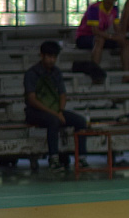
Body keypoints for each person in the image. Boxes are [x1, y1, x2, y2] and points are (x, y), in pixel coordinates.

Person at [23, 41, 88, 170]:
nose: (52, 60)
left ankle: (81, 158)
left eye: (54, 57)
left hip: (56, 111)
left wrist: (60, 111)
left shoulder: (56, 72)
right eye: (49, 56)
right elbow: (32, 100)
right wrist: (56, 114)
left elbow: (62, 94)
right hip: (35, 111)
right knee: (53, 121)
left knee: (81, 121)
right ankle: (53, 159)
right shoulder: (31, 74)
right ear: (42, 55)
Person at [76, 0, 129, 72]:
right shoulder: (94, 8)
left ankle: (126, 74)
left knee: (126, 42)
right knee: (100, 40)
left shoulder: (114, 9)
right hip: (84, 37)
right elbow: (95, 31)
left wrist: (121, 36)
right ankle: (95, 73)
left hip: (103, 37)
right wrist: (112, 37)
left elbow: (117, 27)